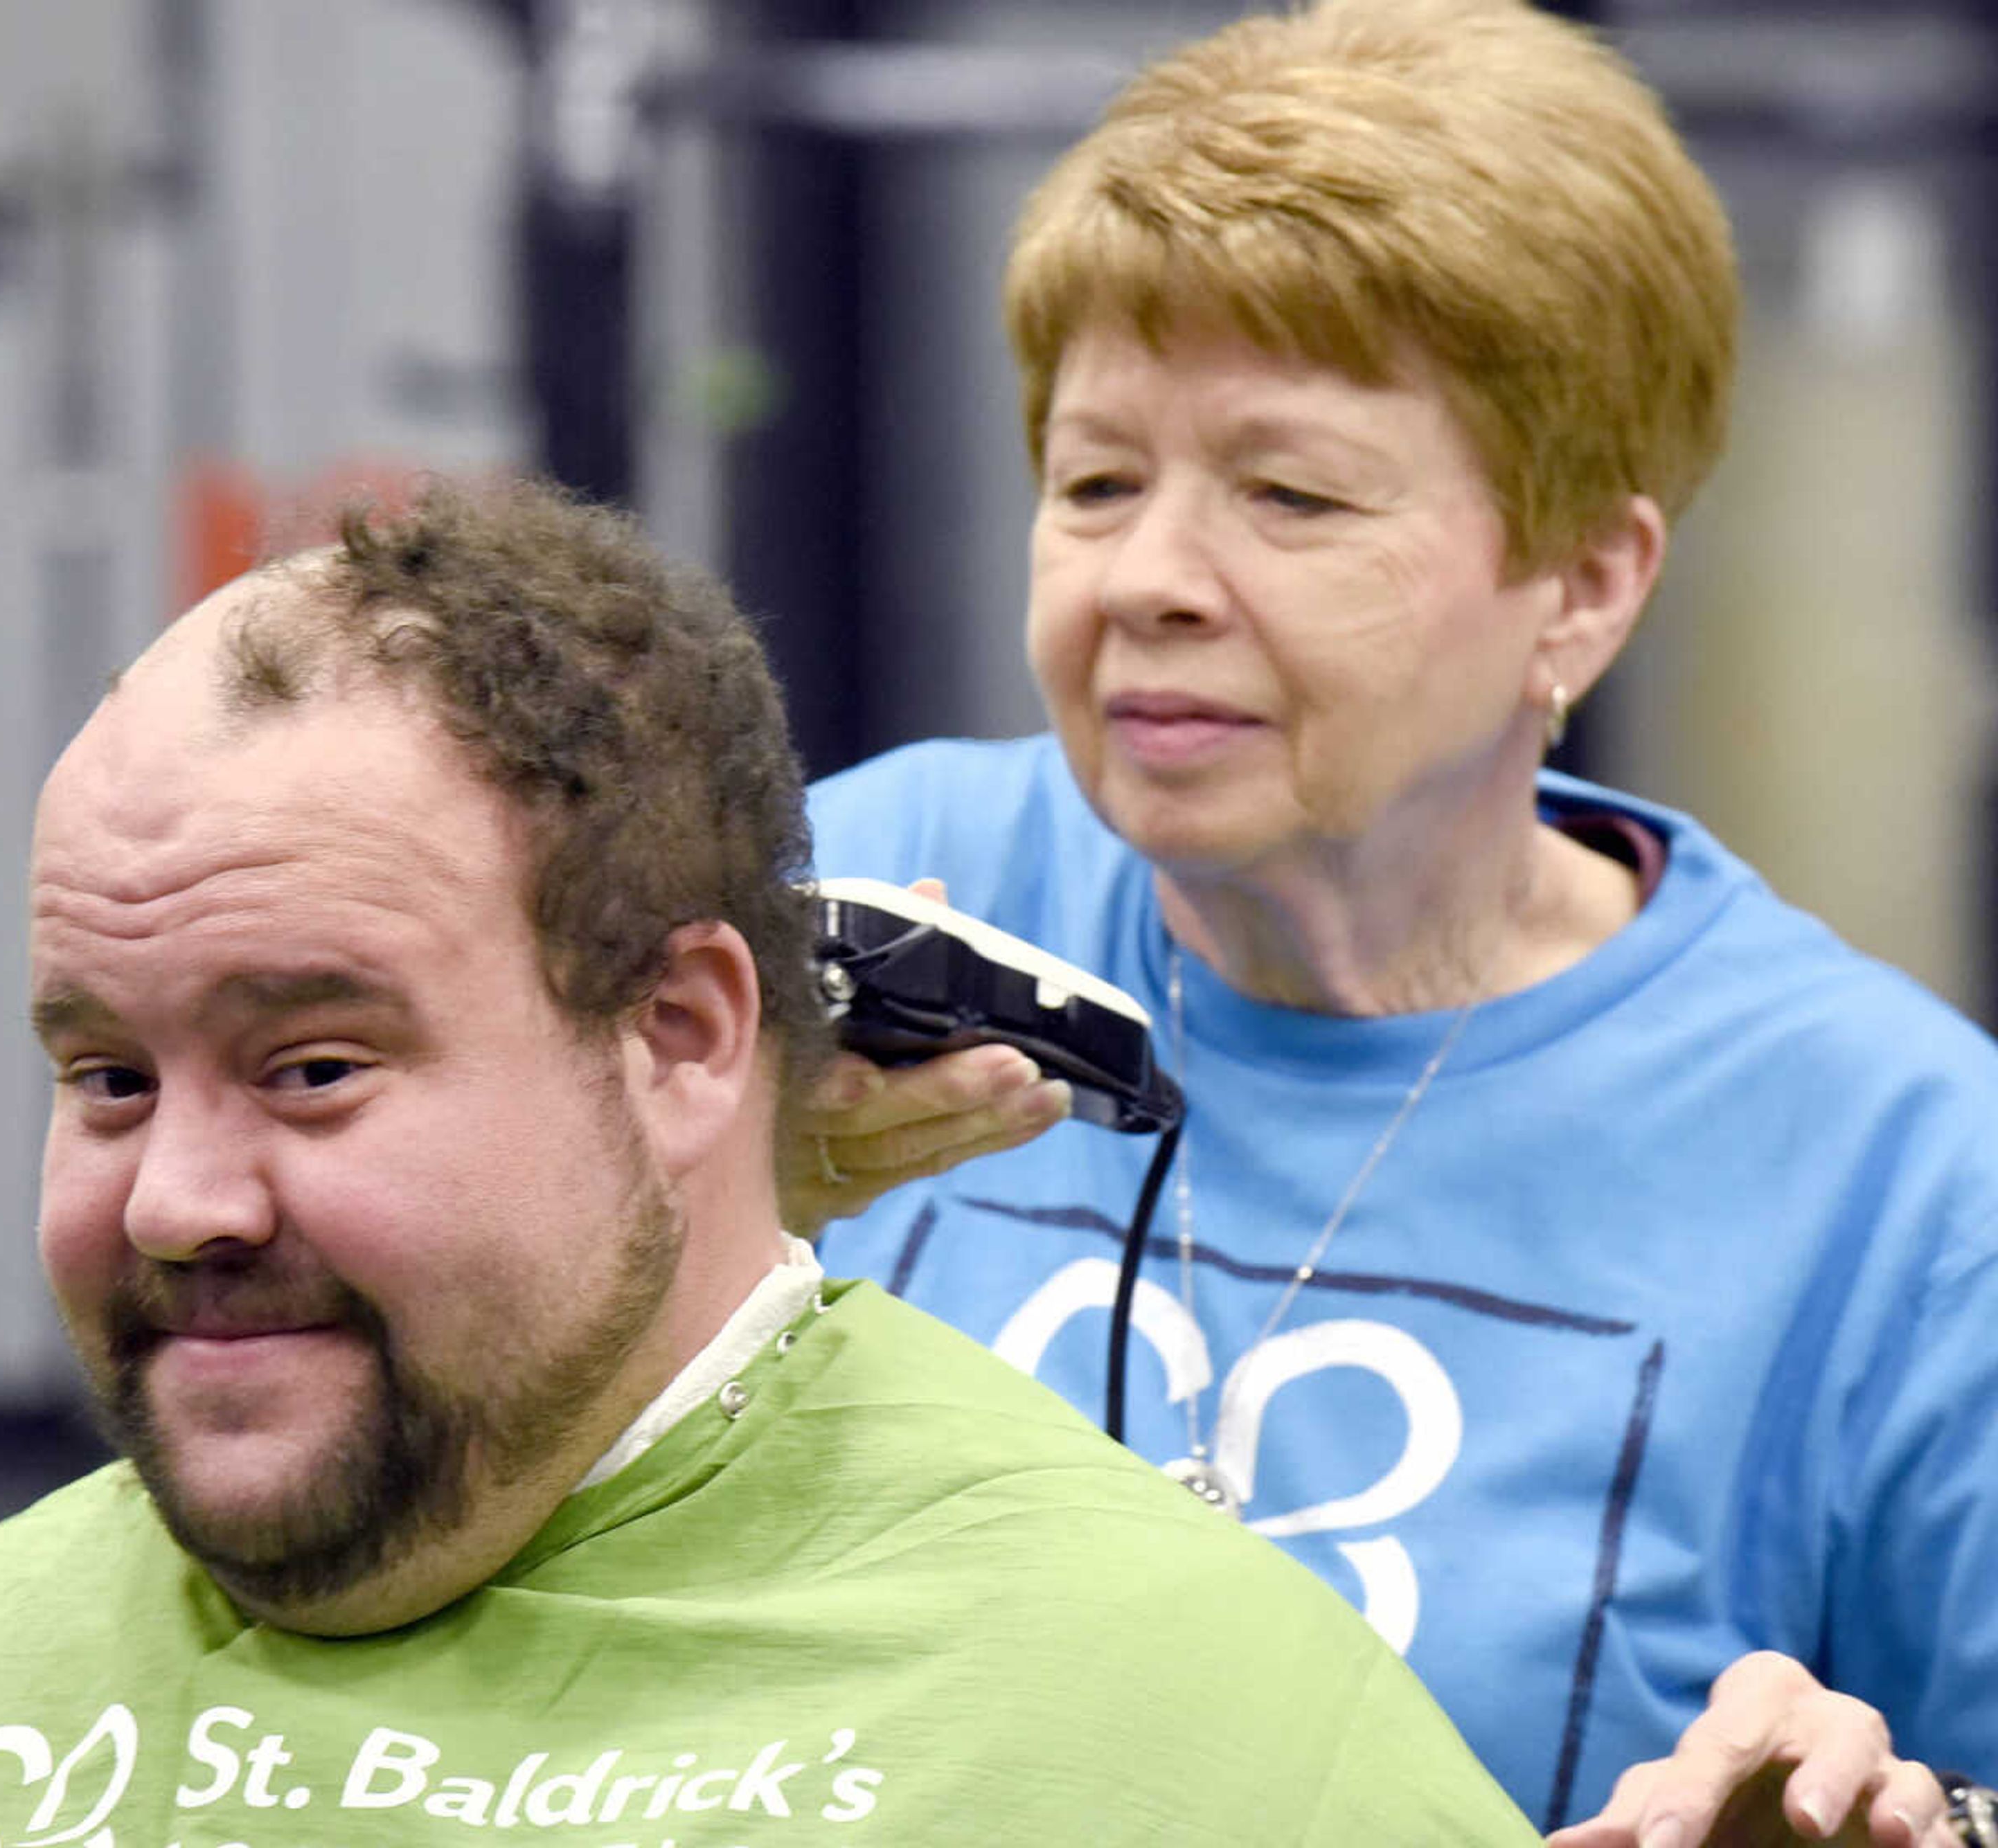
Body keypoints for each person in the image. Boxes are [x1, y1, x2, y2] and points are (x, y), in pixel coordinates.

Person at [0, 477, 1533, 1844]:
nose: (177, 1201)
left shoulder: (1181, 1733)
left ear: (684, 1039)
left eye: (309, 1069)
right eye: (110, 1080)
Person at [790, 2, 1998, 1844]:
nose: (1147, 581)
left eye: (1289, 495)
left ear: (1583, 586)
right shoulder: (862, 902)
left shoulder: (1904, 1178)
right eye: (1097, 480)